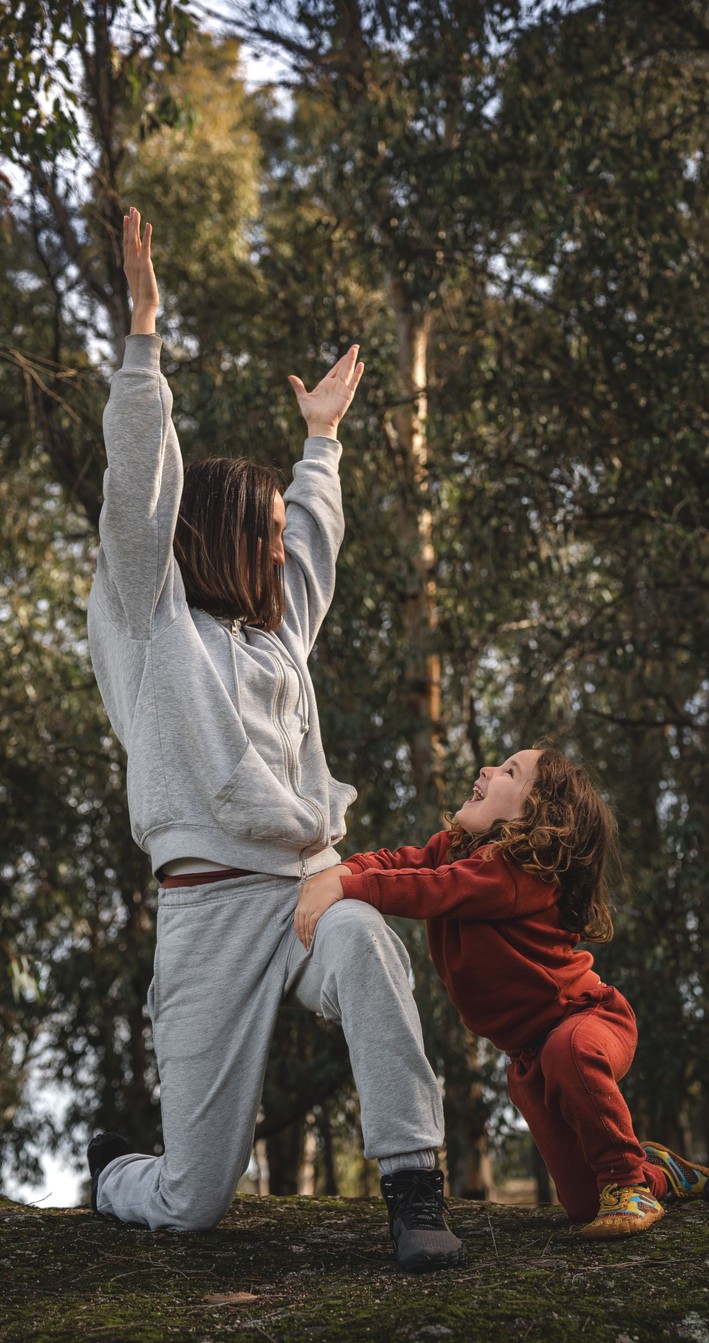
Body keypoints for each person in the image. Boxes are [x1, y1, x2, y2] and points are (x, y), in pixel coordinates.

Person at [82, 207, 463, 1273]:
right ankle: (116, 1170)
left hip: (304, 886)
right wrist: (145, 341)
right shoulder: (151, 622)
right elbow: (138, 493)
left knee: (366, 944)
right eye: (268, 530)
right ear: (215, 537)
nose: (285, 544)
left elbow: (318, 550)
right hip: (205, 911)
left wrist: (323, 443)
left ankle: (413, 1185)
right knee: (195, 1199)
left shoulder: (276, 638)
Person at [291, 746, 709, 1239]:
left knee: (573, 1056)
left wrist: (344, 887)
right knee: (583, 1204)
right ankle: (656, 1172)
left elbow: (431, 888)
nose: (485, 769)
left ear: (540, 814)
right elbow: (398, 861)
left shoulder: (518, 874)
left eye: (510, 772)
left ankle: (627, 1179)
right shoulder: (454, 849)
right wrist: (343, 870)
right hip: (529, 1056)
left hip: (585, 1022)